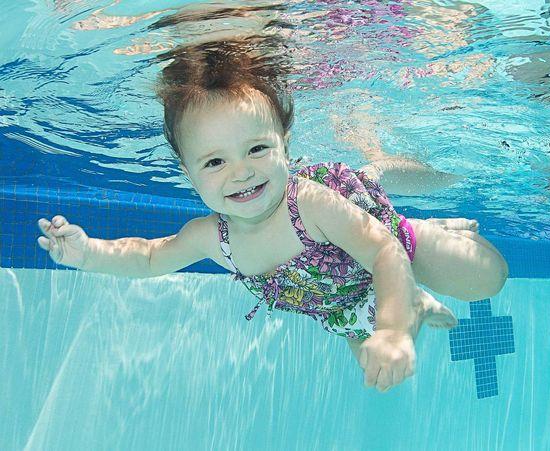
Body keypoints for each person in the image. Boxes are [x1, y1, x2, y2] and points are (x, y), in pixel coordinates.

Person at [37, 39, 509, 393]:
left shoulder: (310, 203)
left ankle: (424, 226)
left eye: (257, 148)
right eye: (214, 162)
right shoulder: (210, 237)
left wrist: (391, 328)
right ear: (188, 173)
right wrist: (88, 253)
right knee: (371, 361)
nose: (241, 173)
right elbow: (146, 258)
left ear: (285, 143)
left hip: (386, 246)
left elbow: (384, 252)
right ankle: (413, 306)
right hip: (340, 303)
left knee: (488, 278)